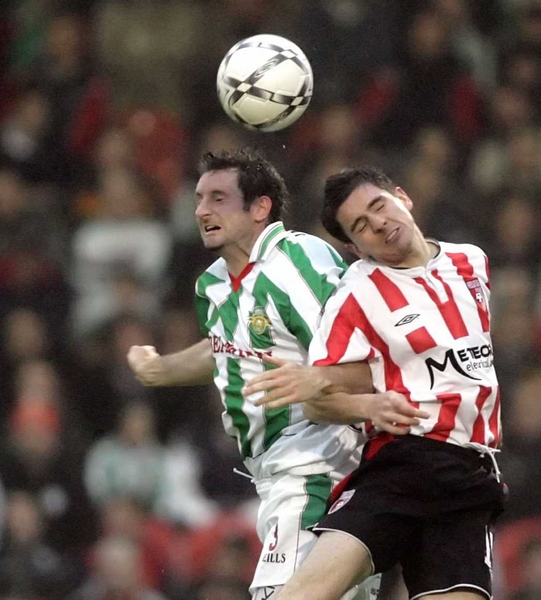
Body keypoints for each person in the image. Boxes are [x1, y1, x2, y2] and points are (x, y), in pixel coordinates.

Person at [126, 149, 379, 600]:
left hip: (321, 466)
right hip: (276, 473)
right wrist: (161, 370)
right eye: (200, 198)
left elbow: (368, 357)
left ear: (260, 207)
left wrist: (317, 383)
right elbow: (227, 349)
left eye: (219, 198)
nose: (202, 209)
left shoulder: (295, 262)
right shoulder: (214, 284)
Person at [244, 166, 506, 600]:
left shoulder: (471, 261)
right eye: (361, 226)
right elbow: (318, 399)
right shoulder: (356, 294)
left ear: (403, 197)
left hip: (469, 476)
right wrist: (369, 407)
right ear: (354, 246)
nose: (379, 223)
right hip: (402, 467)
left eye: (378, 206)